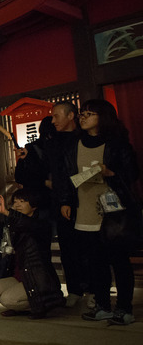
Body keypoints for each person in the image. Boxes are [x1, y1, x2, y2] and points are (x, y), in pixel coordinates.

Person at [55, 99, 140, 326]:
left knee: (119, 261)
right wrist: (65, 201)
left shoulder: (117, 143)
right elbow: (65, 176)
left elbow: (132, 173)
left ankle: (124, 308)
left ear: (103, 116)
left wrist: (110, 172)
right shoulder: (74, 144)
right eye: (82, 113)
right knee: (95, 262)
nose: (83, 117)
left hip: (114, 212)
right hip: (85, 210)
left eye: (89, 114)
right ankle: (102, 305)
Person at [0, 190, 64, 319]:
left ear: (34, 206)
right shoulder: (12, 224)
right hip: (20, 277)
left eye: (22, 202)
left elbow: (29, 224)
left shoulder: (41, 225)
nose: (17, 205)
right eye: (15, 202)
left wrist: (7, 212)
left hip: (38, 281)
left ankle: (43, 305)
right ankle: (21, 306)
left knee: (8, 299)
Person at [49, 101, 91, 307]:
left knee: (88, 246)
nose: (53, 120)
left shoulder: (84, 138)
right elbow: (58, 174)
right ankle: (74, 289)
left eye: (57, 116)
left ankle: (92, 289)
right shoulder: (54, 140)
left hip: (85, 197)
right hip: (60, 200)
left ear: (71, 116)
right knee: (67, 246)